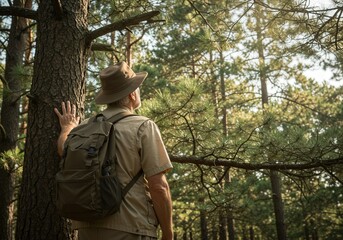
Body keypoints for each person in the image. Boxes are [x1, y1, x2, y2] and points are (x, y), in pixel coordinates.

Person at [54, 61, 173, 240]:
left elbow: (63, 150)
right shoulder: (143, 126)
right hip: (131, 228)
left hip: (87, 229)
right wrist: (168, 232)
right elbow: (159, 186)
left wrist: (67, 127)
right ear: (132, 94)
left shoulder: (84, 127)